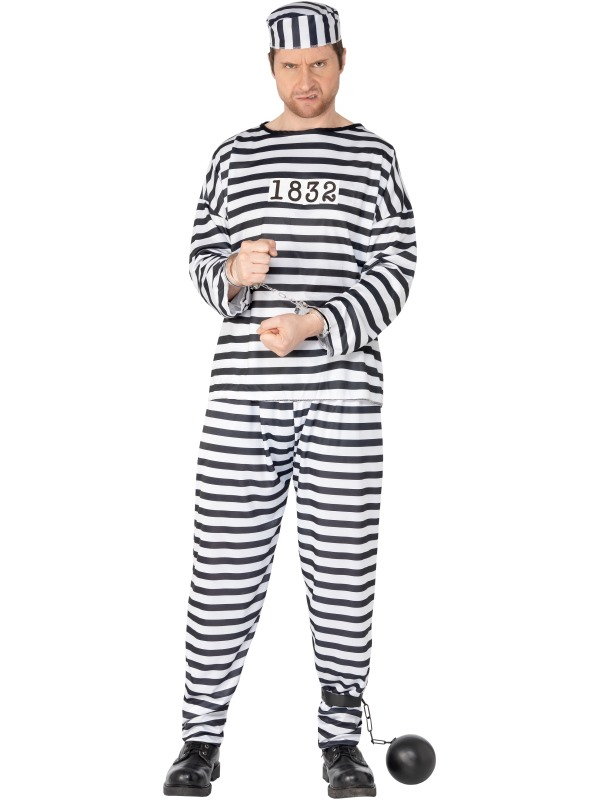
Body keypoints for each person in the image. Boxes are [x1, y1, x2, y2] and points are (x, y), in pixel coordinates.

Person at [163, 2, 417, 796]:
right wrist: (232, 275)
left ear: (341, 60)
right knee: (222, 568)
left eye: (318, 64)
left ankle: (342, 743)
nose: (305, 80)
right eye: (290, 67)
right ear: (270, 68)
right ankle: (199, 741)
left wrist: (319, 323)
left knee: (343, 569)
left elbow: (397, 268)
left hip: (344, 397)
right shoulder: (234, 157)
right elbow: (201, 259)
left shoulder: (374, 157)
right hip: (243, 399)